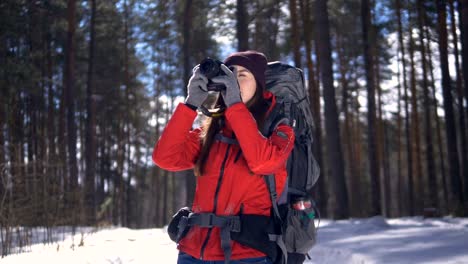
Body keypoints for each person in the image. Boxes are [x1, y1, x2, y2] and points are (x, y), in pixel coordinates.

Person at [152, 51, 295, 264]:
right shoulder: (212, 130)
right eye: (230, 73)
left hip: (247, 255)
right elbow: (165, 158)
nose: (234, 80)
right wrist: (191, 104)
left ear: (259, 84)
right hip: (193, 253)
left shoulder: (279, 129)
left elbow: (262, 162)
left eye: (242, 75)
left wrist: (235, 105)